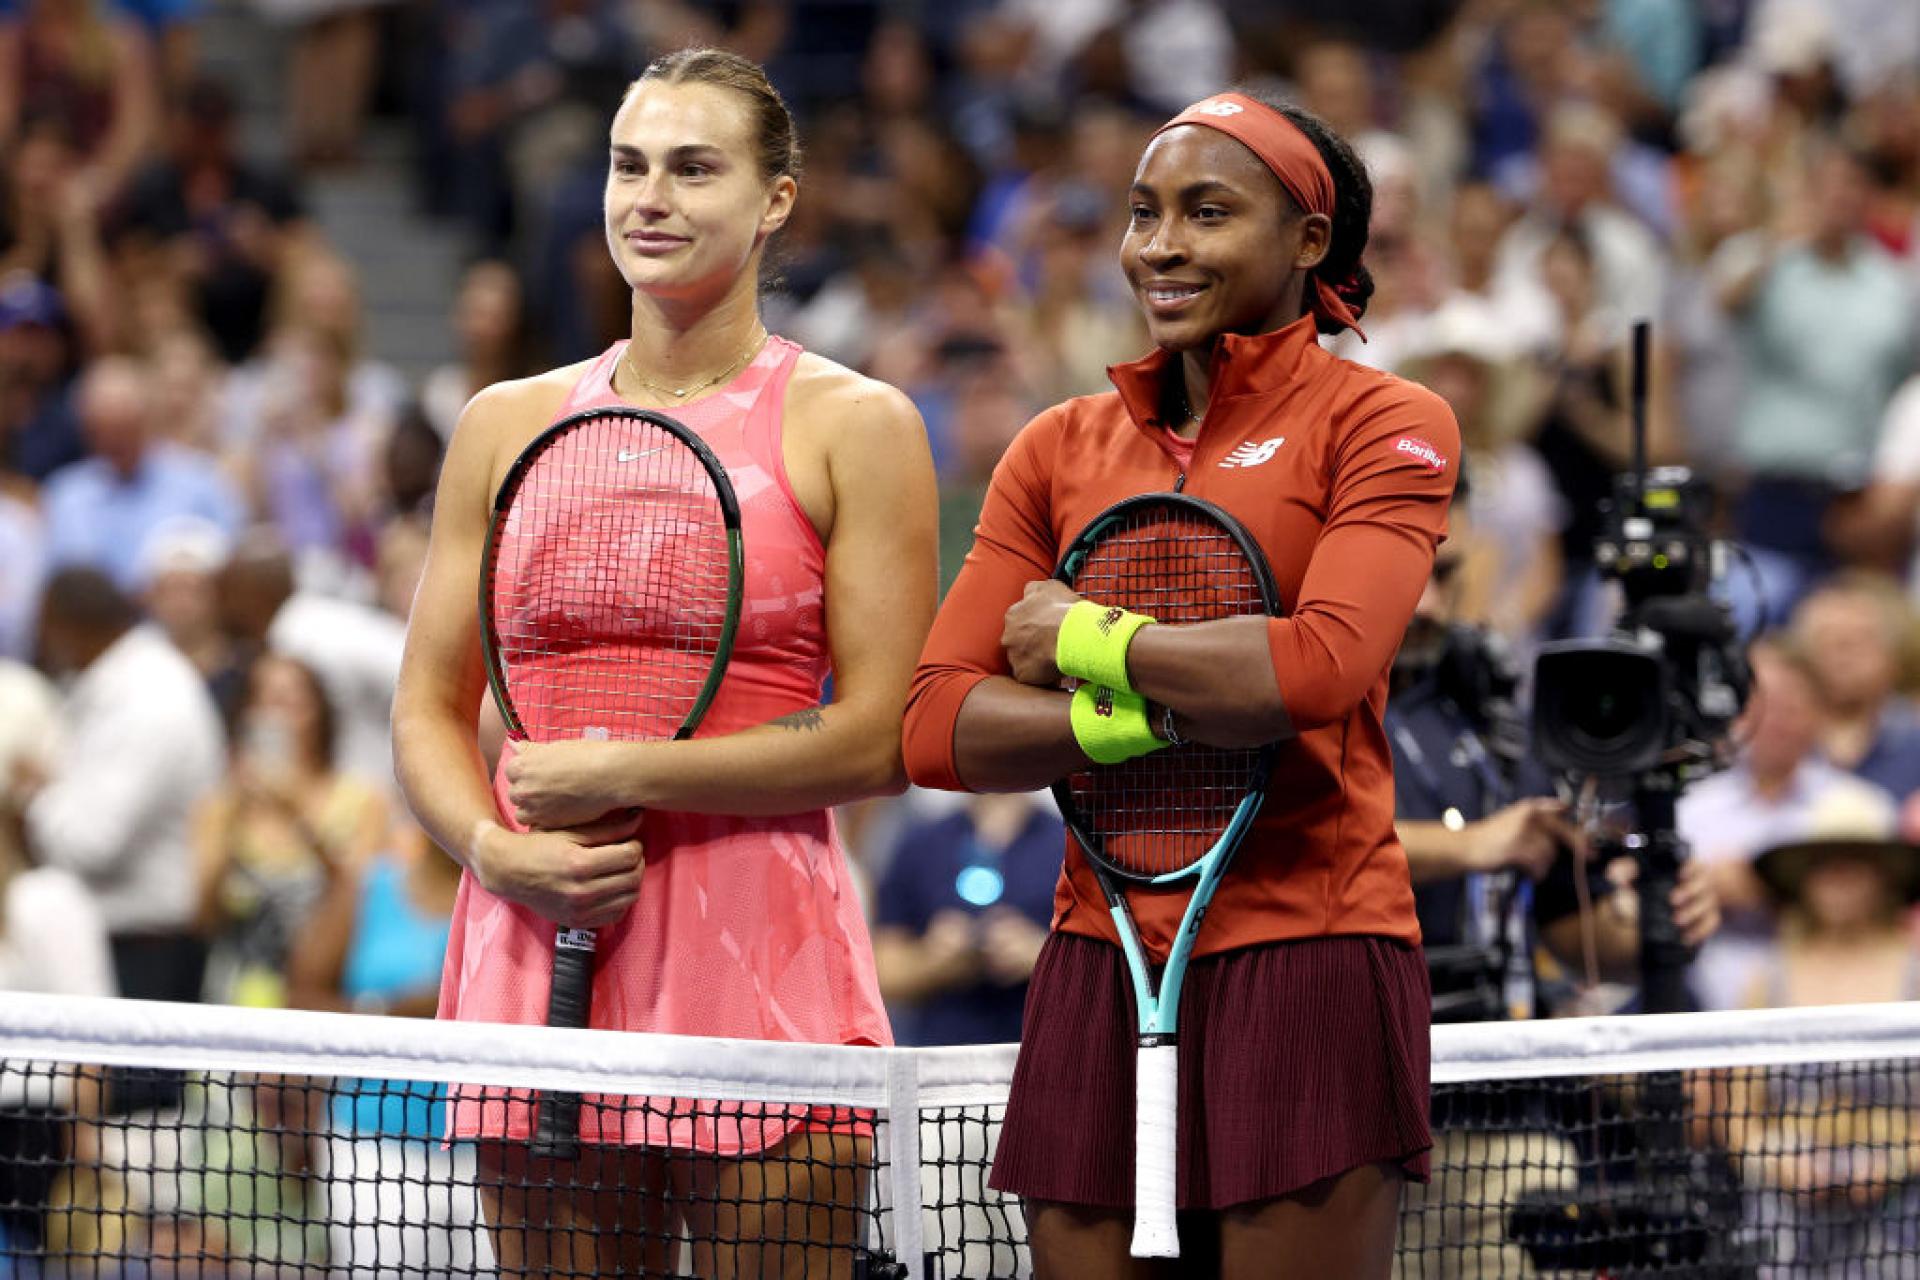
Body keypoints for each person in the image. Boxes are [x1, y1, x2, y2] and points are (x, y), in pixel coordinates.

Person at [390, 47, 938, 1276]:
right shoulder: (503, 424)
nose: (653, 198)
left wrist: (624, 768)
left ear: (777, 197)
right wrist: (495, 848)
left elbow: (882, 735)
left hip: (763, 946)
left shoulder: (857, 424)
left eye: (696, 168)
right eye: (630, 165)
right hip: (536, 925)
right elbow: (427, 707)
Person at [903, 89, 1454, 1277]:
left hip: (1310, 944)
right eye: (1144, 212)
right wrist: (1157, 711)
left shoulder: (1388, 420)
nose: (1161, 244)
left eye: (1208, 212)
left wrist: (1086, 637)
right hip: (1098, 950)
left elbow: (1317, 664)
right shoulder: (1055, 444)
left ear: (1310, 241)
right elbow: (937, 722)